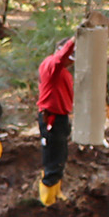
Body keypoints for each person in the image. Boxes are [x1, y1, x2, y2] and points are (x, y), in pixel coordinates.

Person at [36, 37, 76, 206]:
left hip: (61, 117)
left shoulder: (63, 73)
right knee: (52, 157)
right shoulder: (51, 65)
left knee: (60, 155)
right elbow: (61, 57)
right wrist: (76, 38)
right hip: (50, 117)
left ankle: (56, 191)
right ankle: (47, 201)